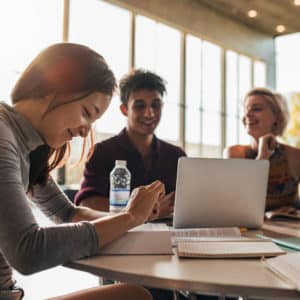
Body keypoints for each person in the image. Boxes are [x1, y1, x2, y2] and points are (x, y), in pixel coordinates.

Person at [0, 43, 165, 300]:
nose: (85, 131)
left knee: (133, 294)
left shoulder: (26, 145)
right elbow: (27, 251)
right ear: (50, 88)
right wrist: (129, 218)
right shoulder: (3, 138)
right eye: (87, 113)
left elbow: (67, 213)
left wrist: (134, 220)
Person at [75, 69, 186, 220]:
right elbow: (87, 203)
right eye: (140, 106)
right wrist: (149, 210)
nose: (149, 113)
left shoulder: (176, 156)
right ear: (124, 109)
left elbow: (188, 203)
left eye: (156, 105)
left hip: (166, 238)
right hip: (118, 238)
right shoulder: (102, 152)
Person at [224, 87, 300, 211]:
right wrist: (262, 157)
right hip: (249, 229)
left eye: (256, 109)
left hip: (291, 228)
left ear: (277, 117)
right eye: (245, 109)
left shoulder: (295, 156)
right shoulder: (234, 153)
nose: (247, 114)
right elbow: (239, 201)